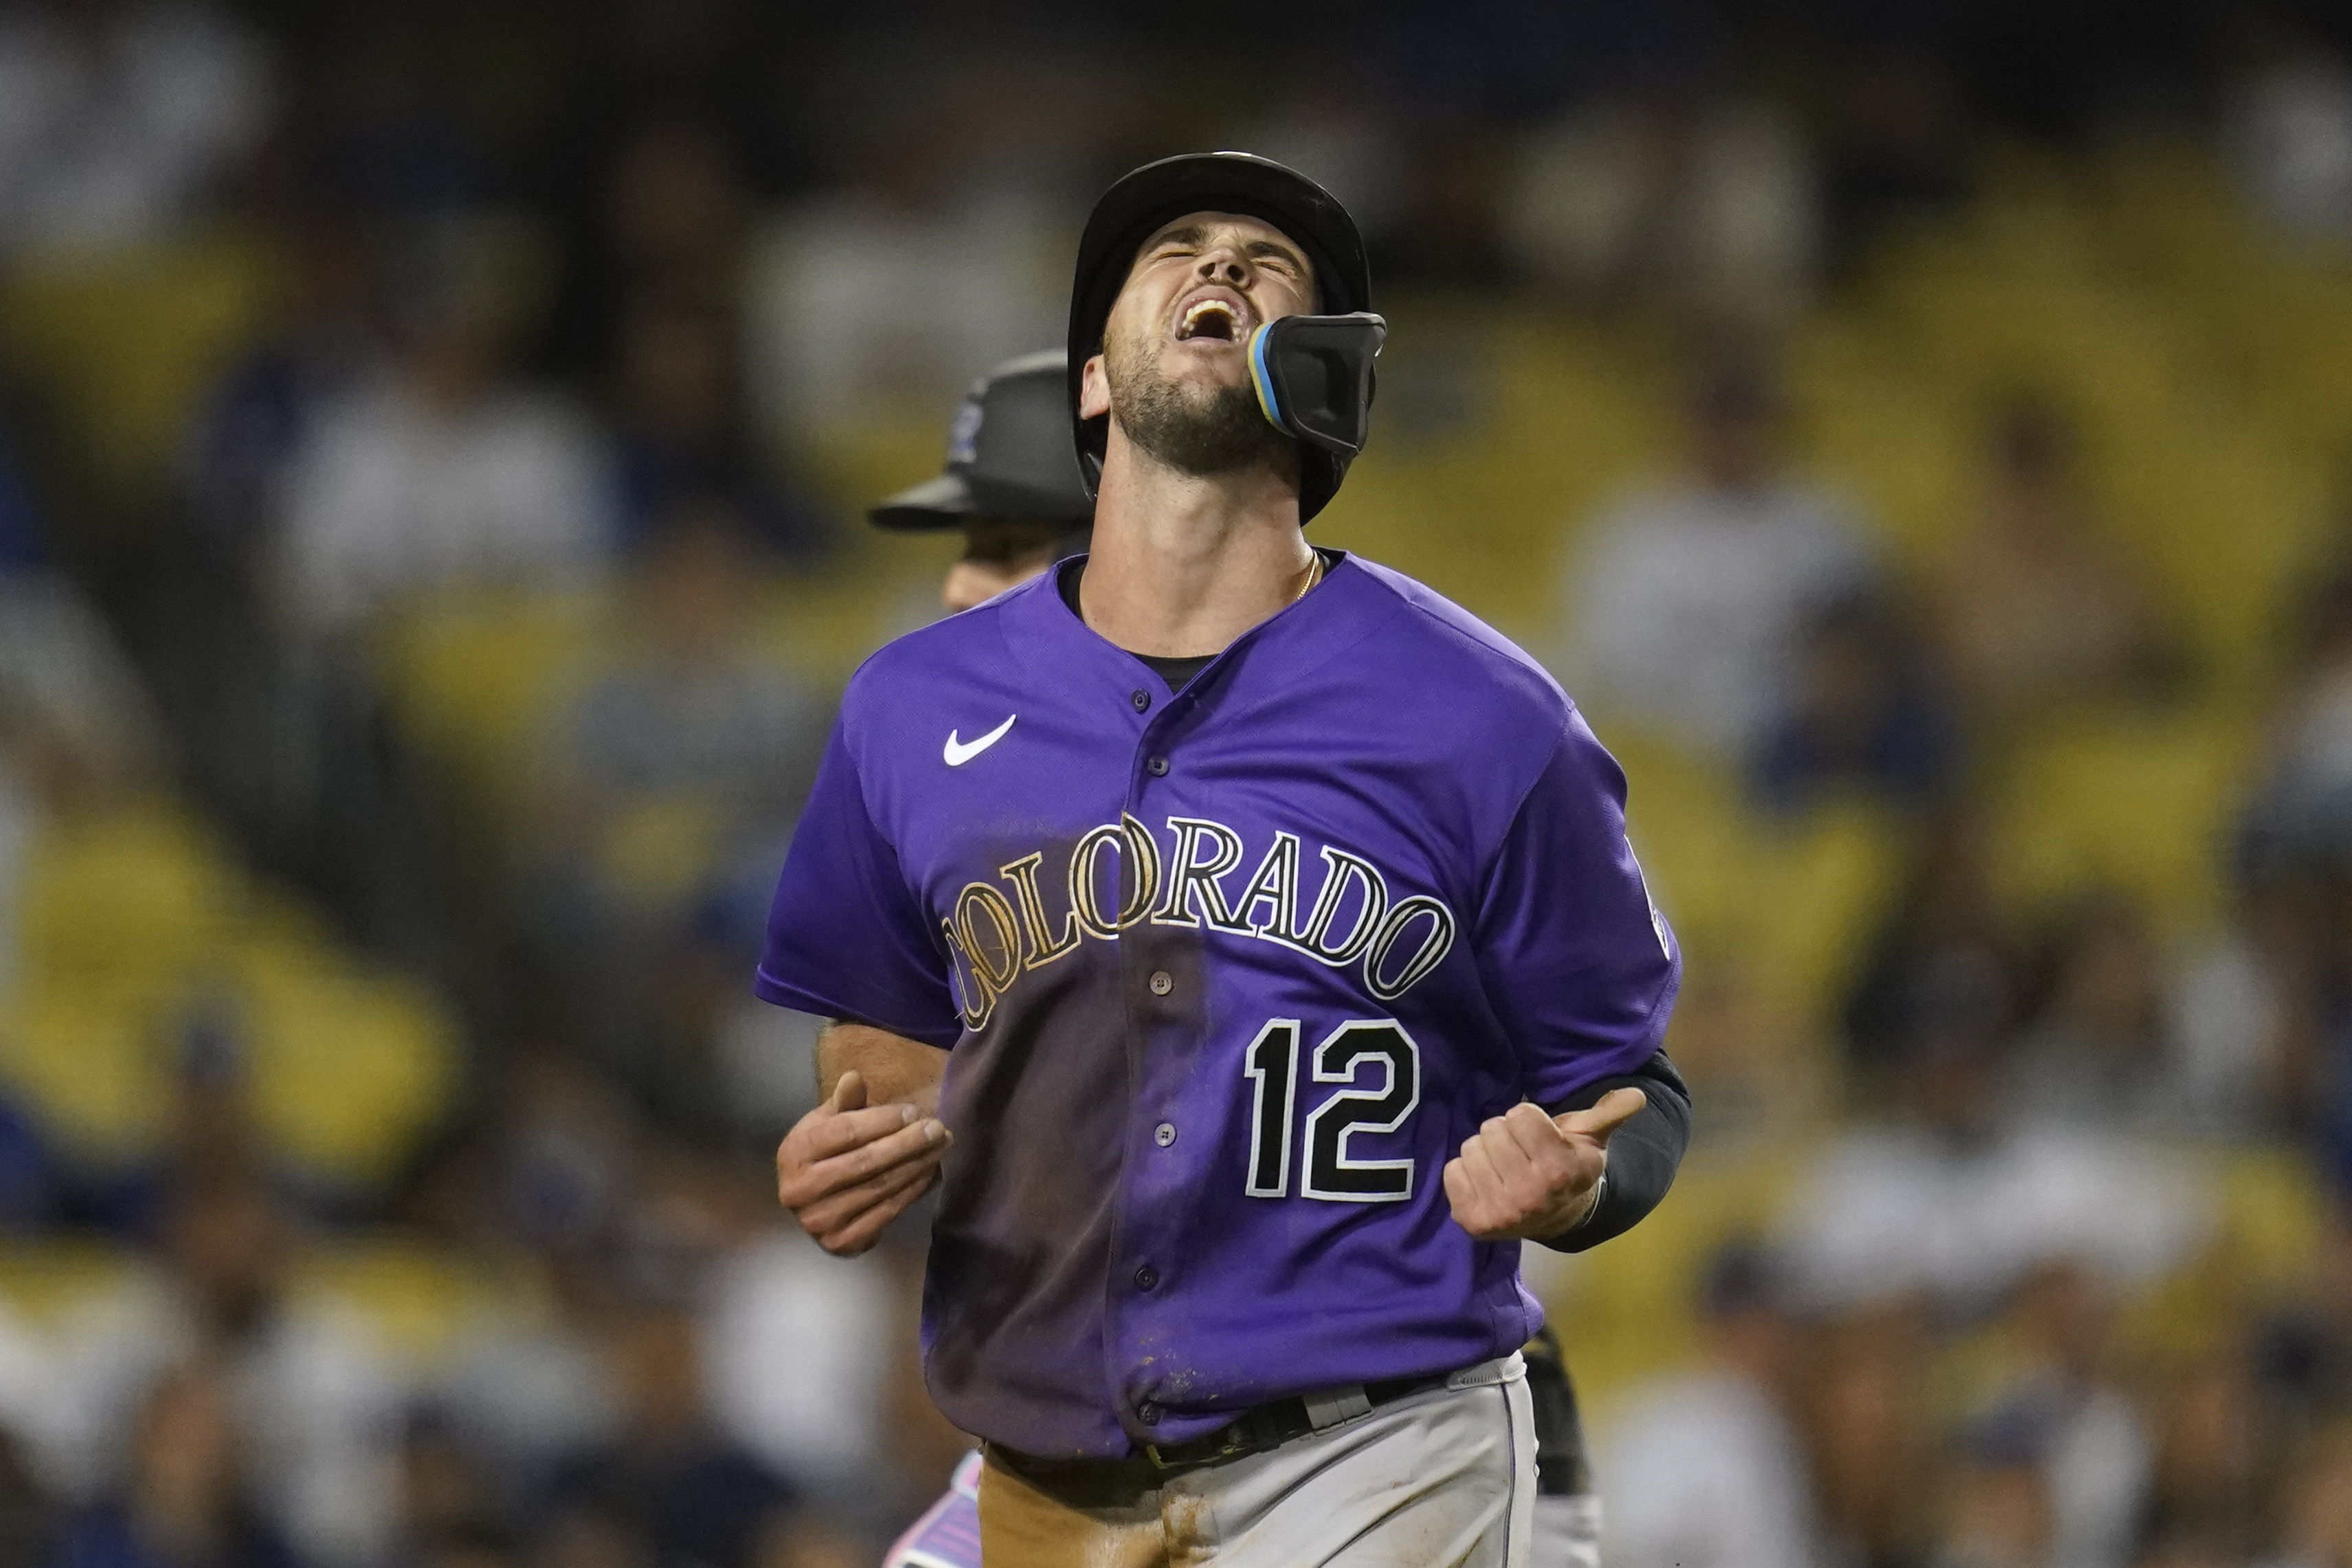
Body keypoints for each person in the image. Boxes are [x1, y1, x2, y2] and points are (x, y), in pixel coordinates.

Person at [758, 152, 1690, 1565]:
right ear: (1090, 376)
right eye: (1174, 251)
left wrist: (1575, 1185)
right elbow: (882, 1063)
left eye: (1265, 265)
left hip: (1376, 1450)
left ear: (1316, 368)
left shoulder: (1483, 717)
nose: (1217, 268)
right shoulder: (910, 704)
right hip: (1040, 1470)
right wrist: (849, 1150)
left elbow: (1633, 1096)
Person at [864, 352, 1611, 1566]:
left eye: (1002, 546)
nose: (960, 588)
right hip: (1095, 1443)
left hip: (1384, 1416)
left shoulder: (1400, 778)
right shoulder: (980, 811)